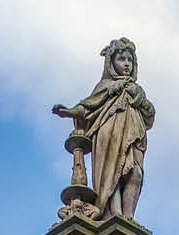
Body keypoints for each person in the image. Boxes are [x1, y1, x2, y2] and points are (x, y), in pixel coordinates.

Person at [52, 38, 155, 222]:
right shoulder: (105, 87)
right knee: (112, 178)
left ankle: (129, 216)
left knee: (135, 173)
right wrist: (69, 112)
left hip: (134, 135)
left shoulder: (136, 90)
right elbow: (87, 107)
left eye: (130, 60)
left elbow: (150, 117)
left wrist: (139, 100)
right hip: (109, 136)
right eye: (121, 59)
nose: (126, 64)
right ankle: (114, 215)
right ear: (111, 63)